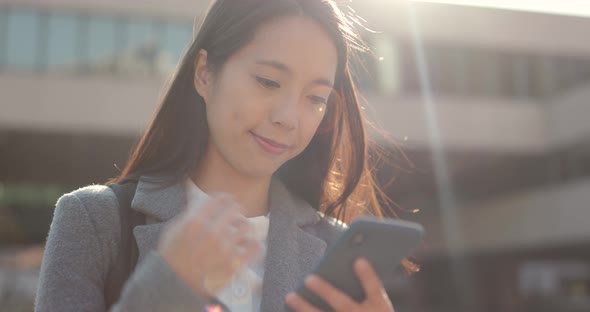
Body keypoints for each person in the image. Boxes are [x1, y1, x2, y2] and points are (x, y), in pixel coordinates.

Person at [35, 0, 415, 311]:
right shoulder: (94, 222)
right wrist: (166, 288)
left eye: (315, 98)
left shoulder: (336, 249)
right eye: (268, 81)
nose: (288, 118)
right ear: (204, 73)